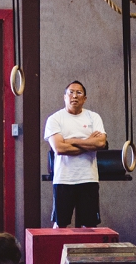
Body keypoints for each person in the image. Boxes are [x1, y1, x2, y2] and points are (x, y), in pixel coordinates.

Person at [44, 80, 107, 228]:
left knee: (89, 226)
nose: (74, 96)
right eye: (71, 92)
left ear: (84, 99)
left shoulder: (94, 117)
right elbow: (59, 148)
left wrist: (71, 140)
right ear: (64, 97)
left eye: (79, 93)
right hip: (63, 180)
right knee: (60, 225)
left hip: (88, 179)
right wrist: (88, 142)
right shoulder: (55, 119)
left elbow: (101, 143)